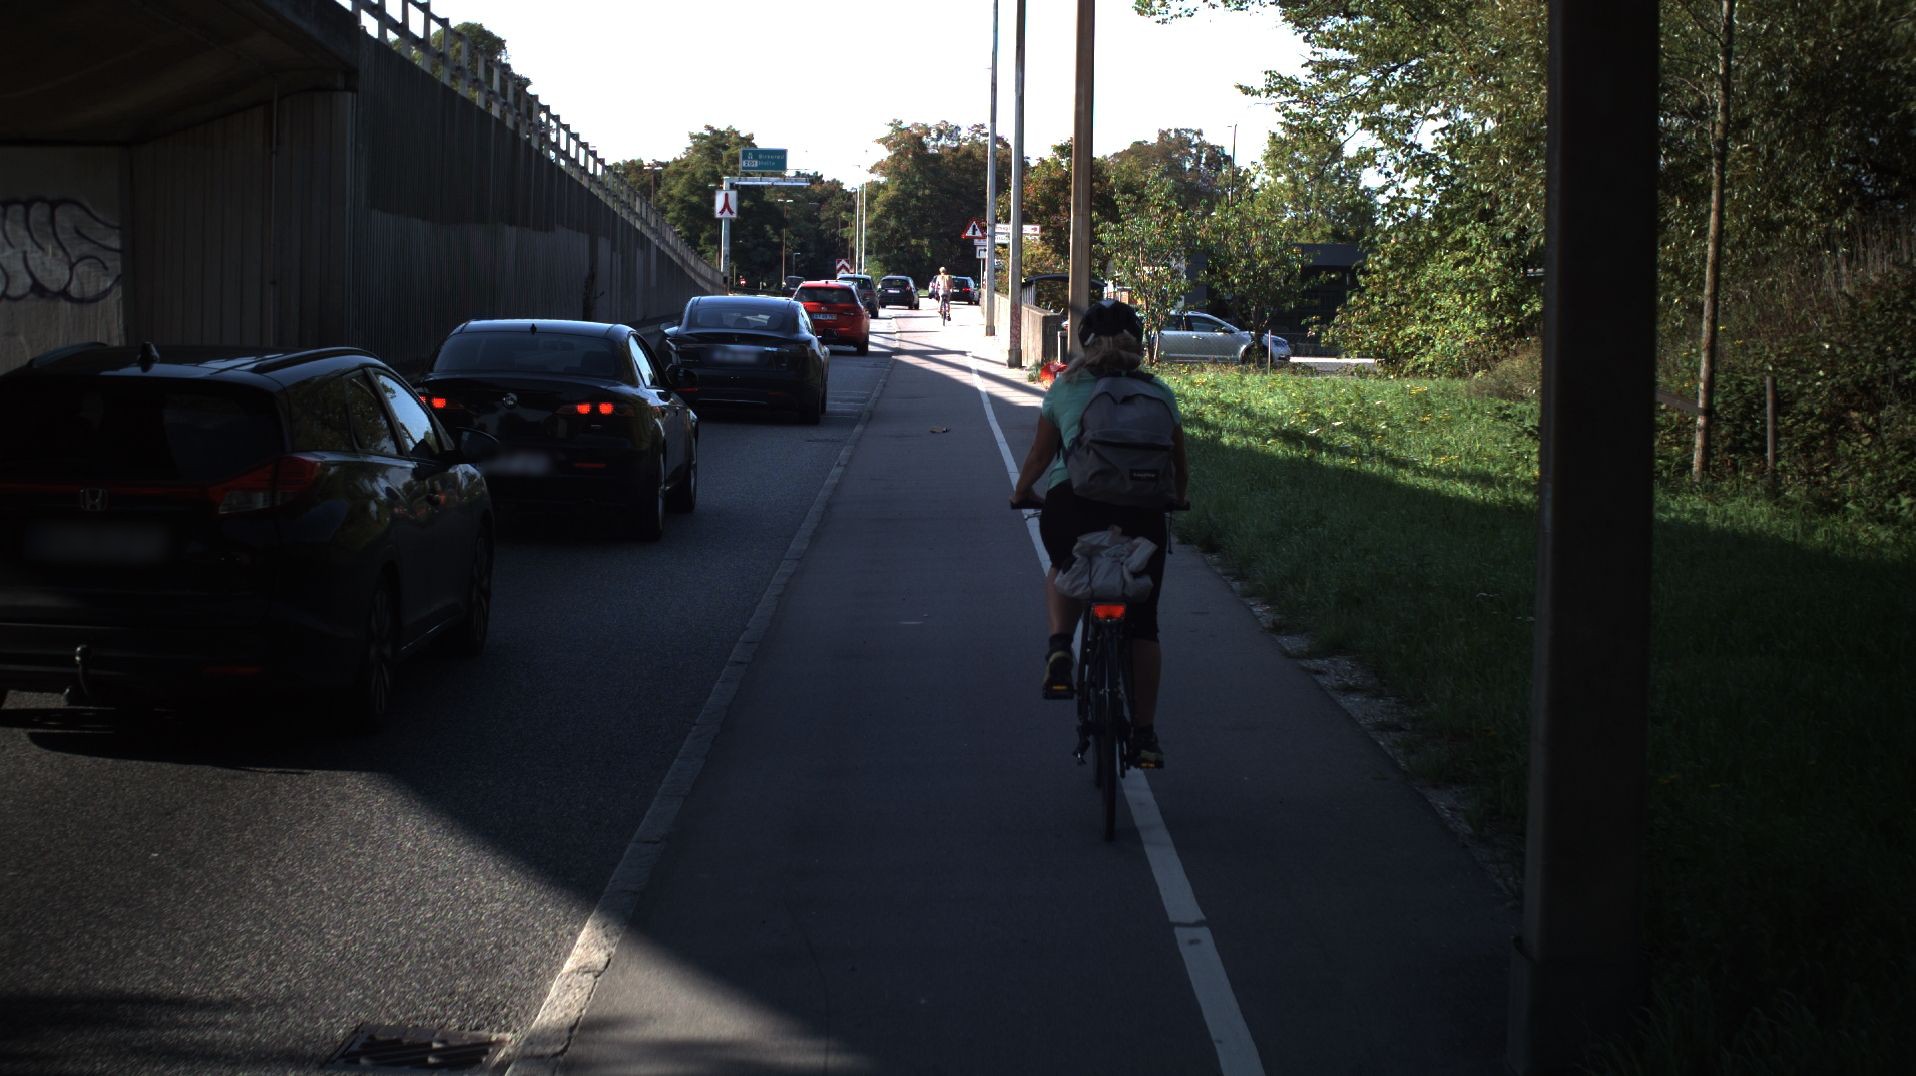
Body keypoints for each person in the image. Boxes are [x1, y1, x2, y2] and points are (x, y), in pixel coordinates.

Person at [1009, 299, 1188, 769]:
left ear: (1084, 344)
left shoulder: (1065, 389)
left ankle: (1059, 648)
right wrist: (1177, 499)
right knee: (1143, 625)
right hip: (1143, 513)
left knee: (1065, 566)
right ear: (1138, 345)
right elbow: (1178, 463)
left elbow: (1040, 455)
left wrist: (1022, 492)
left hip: (1073, 505)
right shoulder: (1159, 393)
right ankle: (1144, 735)